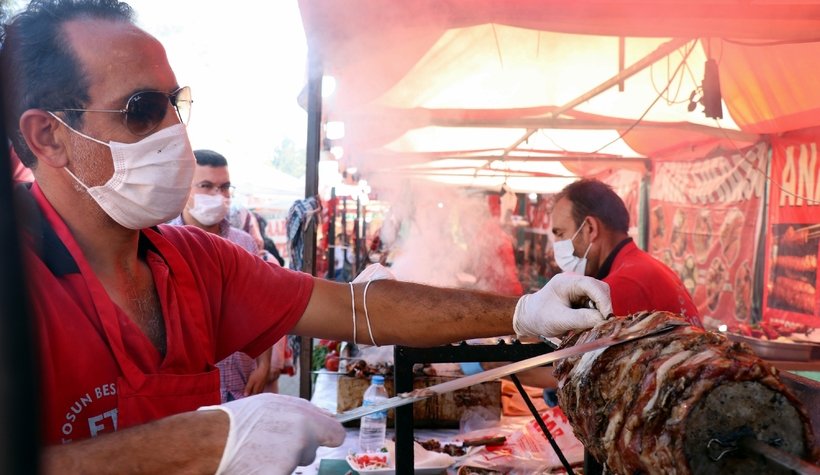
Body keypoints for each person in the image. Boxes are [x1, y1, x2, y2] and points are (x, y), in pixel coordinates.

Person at [0, 1, 613, 473]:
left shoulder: (196, 263)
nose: (172, 131)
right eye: (141, 109)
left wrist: (523, 312)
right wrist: (204, 439)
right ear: (49, 137)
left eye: (174, 104)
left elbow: (356, 307)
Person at [168, 148, 274, 402]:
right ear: (185, 188)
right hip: (185, 388)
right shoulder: (161, 240)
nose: (218, 195)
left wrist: (264, 364)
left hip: (240, 383)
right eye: (206, 186)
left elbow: (263, 304)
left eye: (224, 187)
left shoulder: (244, 243)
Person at [550, 178, 702, 327]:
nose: (556, 245)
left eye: (561, 234)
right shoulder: (641, 266)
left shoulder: (619, 286)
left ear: (590, 228)